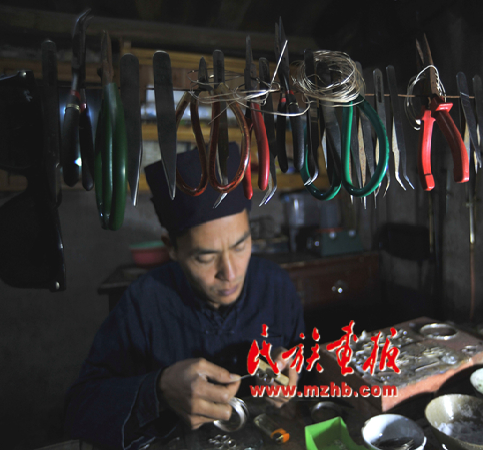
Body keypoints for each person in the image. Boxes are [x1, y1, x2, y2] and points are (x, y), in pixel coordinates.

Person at [64, 144, 305, 450]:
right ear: (172, 248)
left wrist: (286, 375)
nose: (230, 273)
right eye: (205, 257)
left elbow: (305, 368)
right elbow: (78, 410)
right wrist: (159, 390)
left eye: (240, 246)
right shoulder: (144, 302)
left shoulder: (276, 287)